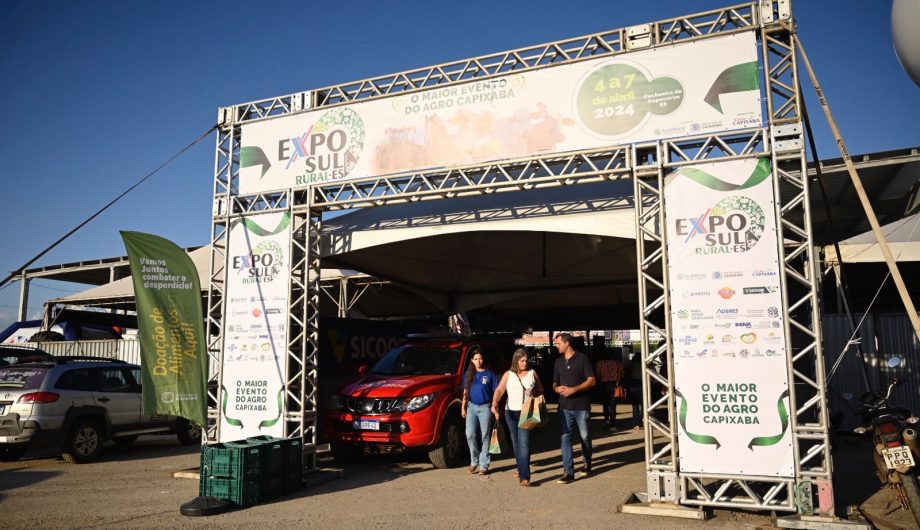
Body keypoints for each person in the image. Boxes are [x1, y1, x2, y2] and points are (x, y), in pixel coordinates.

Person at [491, 348, 544, 487]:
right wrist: (495, 402)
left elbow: (541, 389)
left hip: (527, 412)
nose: (525, 363)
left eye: (526, 360)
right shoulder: (509, 374)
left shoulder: (532, 373)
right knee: (516, 442)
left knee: (524, 442)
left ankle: (524, 476)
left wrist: (534, 391)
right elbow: (499, 390)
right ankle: (520, 467)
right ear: (516, 360)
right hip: (511, 413)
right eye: (522, 361)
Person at [552, 333, 596, 484]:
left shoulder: (582, 359)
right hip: (564, 406)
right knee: (565, 437)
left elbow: (592, 380)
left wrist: (574, 389)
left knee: (585, 436)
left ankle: (587, 461)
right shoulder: (558, 362)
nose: (556, 346)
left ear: (567, 343)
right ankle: (568, 472)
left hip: (581, 405)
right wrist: (557, 389)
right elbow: (554, 383)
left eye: (558, 343)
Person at [461, 349, 499, 475]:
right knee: (470, 434)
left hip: (485, 407)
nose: (478, 361)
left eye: (480, 358)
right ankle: (474, 461)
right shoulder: (468, 374)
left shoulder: (490, 374)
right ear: (472, 360)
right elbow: (465, 392)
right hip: (471, 407)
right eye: (476, 359)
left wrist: (495, 406)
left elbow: (496, 392)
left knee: (485, 436)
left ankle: (484, 465)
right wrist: (463, 407)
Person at [595, 350, 624, 432]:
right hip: (614, 385)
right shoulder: (617, 363)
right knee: (613, 406)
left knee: (605, 404)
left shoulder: (600, 363)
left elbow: (598, 374)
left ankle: (606, 420)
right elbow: (622, 373)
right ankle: (613, 425)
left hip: (603, 385)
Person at [625, 352, 644, 431]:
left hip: (633, 385)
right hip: (643, 384)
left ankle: (636, 424)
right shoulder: (645, 363)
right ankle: (644, 420)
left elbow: (626, 373)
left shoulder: (631, 364)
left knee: (635, 405)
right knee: (644, 405)